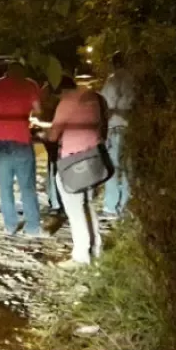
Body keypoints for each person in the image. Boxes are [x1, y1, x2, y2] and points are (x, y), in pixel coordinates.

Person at [0, 61, 45, 237]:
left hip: (0, 141)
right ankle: (32, 227)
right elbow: (39, 111)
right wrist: (27, 118)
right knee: (27, 186)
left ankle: (10, 226)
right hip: (22, 140)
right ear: (22, 72)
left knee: (5, 187)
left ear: (6, 72)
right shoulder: (30, 85)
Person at [45, 85, 106, 268]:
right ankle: (96, 247)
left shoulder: (67, 103)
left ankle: (81, 256)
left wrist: (44, 133)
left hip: (73, 161)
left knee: (74, 208)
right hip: (93, 156)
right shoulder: (95, 98)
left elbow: (53, 135)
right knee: (87, 204)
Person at [99, 51, 135, 219]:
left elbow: (104, 105)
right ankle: (126, 204)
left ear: (114, 63)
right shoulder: (135, 81)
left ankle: (111, 205)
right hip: (132, 128)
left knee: (112, 167)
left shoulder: (112, 80)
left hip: (115, 128)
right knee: (129, 168)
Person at [38, 75, 77, 216]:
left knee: (54, 169)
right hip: (73, 144)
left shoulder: (55, 98)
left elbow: (46, 119)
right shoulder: (80, 102)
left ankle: (56, 203)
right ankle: (63, 202)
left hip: (56, 139)